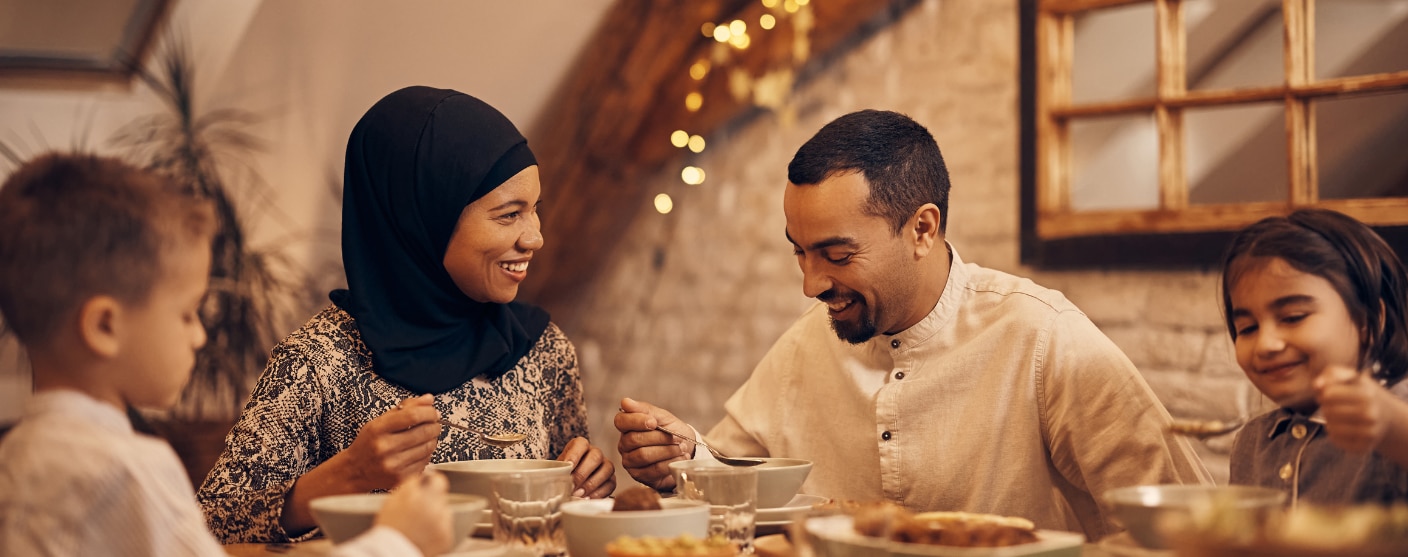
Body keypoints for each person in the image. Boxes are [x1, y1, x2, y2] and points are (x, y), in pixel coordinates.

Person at [615, 109, 1210, 540]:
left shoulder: (1041, 336)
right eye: (799, 252)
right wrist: (685, 456)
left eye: (837, 255)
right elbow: (741, 483)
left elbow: (1186, 524)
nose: (811, 284)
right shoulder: (809, 341)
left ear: (923, 229)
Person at [198, 86, 615, 544]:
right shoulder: (321, 360)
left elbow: (566, 513)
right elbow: (213, 522)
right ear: (422, 220)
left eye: (535, 210)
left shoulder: (541, 348)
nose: (534, 237)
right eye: (509, 215)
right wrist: (348, 475)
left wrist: (590, 483)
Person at [0, 153, 456, 556]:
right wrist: (398, 541)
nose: (199, 336)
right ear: (105, 326)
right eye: (185, 314)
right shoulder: (128, 470)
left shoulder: (19, 455)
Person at [1221, 208, 1408, 506]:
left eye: (1293, 317)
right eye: (1247, 328)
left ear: (1369, 322)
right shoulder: (1252, 442)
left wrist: (1395, 428)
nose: (1266, 344)